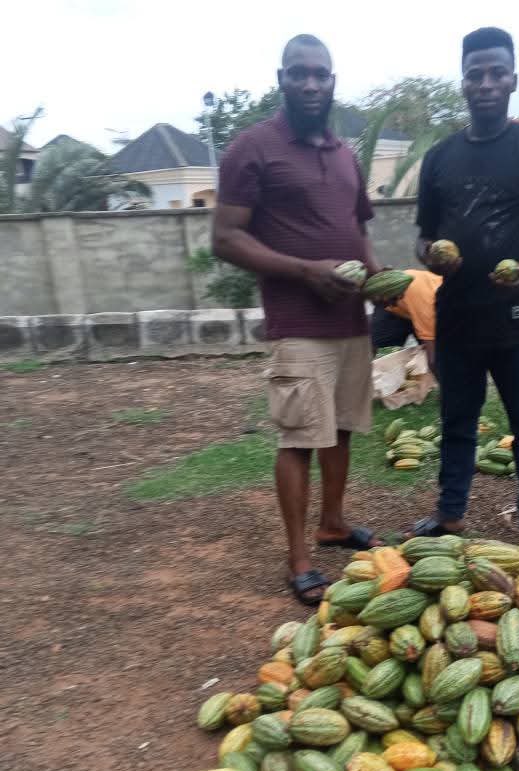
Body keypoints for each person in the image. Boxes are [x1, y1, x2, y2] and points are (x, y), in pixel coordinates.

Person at [212, 34, 383, 605]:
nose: (311, 84)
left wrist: (382, 282)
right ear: (281, 78)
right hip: (298, 321)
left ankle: (333, 523)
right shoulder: (252, 148)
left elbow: (358, 229)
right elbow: (227, 238)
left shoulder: (343, 153)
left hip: (350, 321)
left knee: (339, 430)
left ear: (333, 81)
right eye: (299, 74)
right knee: (298, 439)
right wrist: (305, 271)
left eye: (321, 75)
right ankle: (299, 558)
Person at [411, 26, 519, 544]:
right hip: (457, 312)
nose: (486, 83)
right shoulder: (439, 158)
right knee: (457, 420)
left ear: (513, 79)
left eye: (496, 72)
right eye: (475, 73)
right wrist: (432, 257)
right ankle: (450, 513)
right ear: (463, 82)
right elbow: (422, 238)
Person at [370, 269, 441, 374]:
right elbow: (433, 360)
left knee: (435, 352)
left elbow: (434, 358)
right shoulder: (426, 305)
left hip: (420, 307)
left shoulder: (428, 307)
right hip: (395, 312)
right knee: (374, 348)